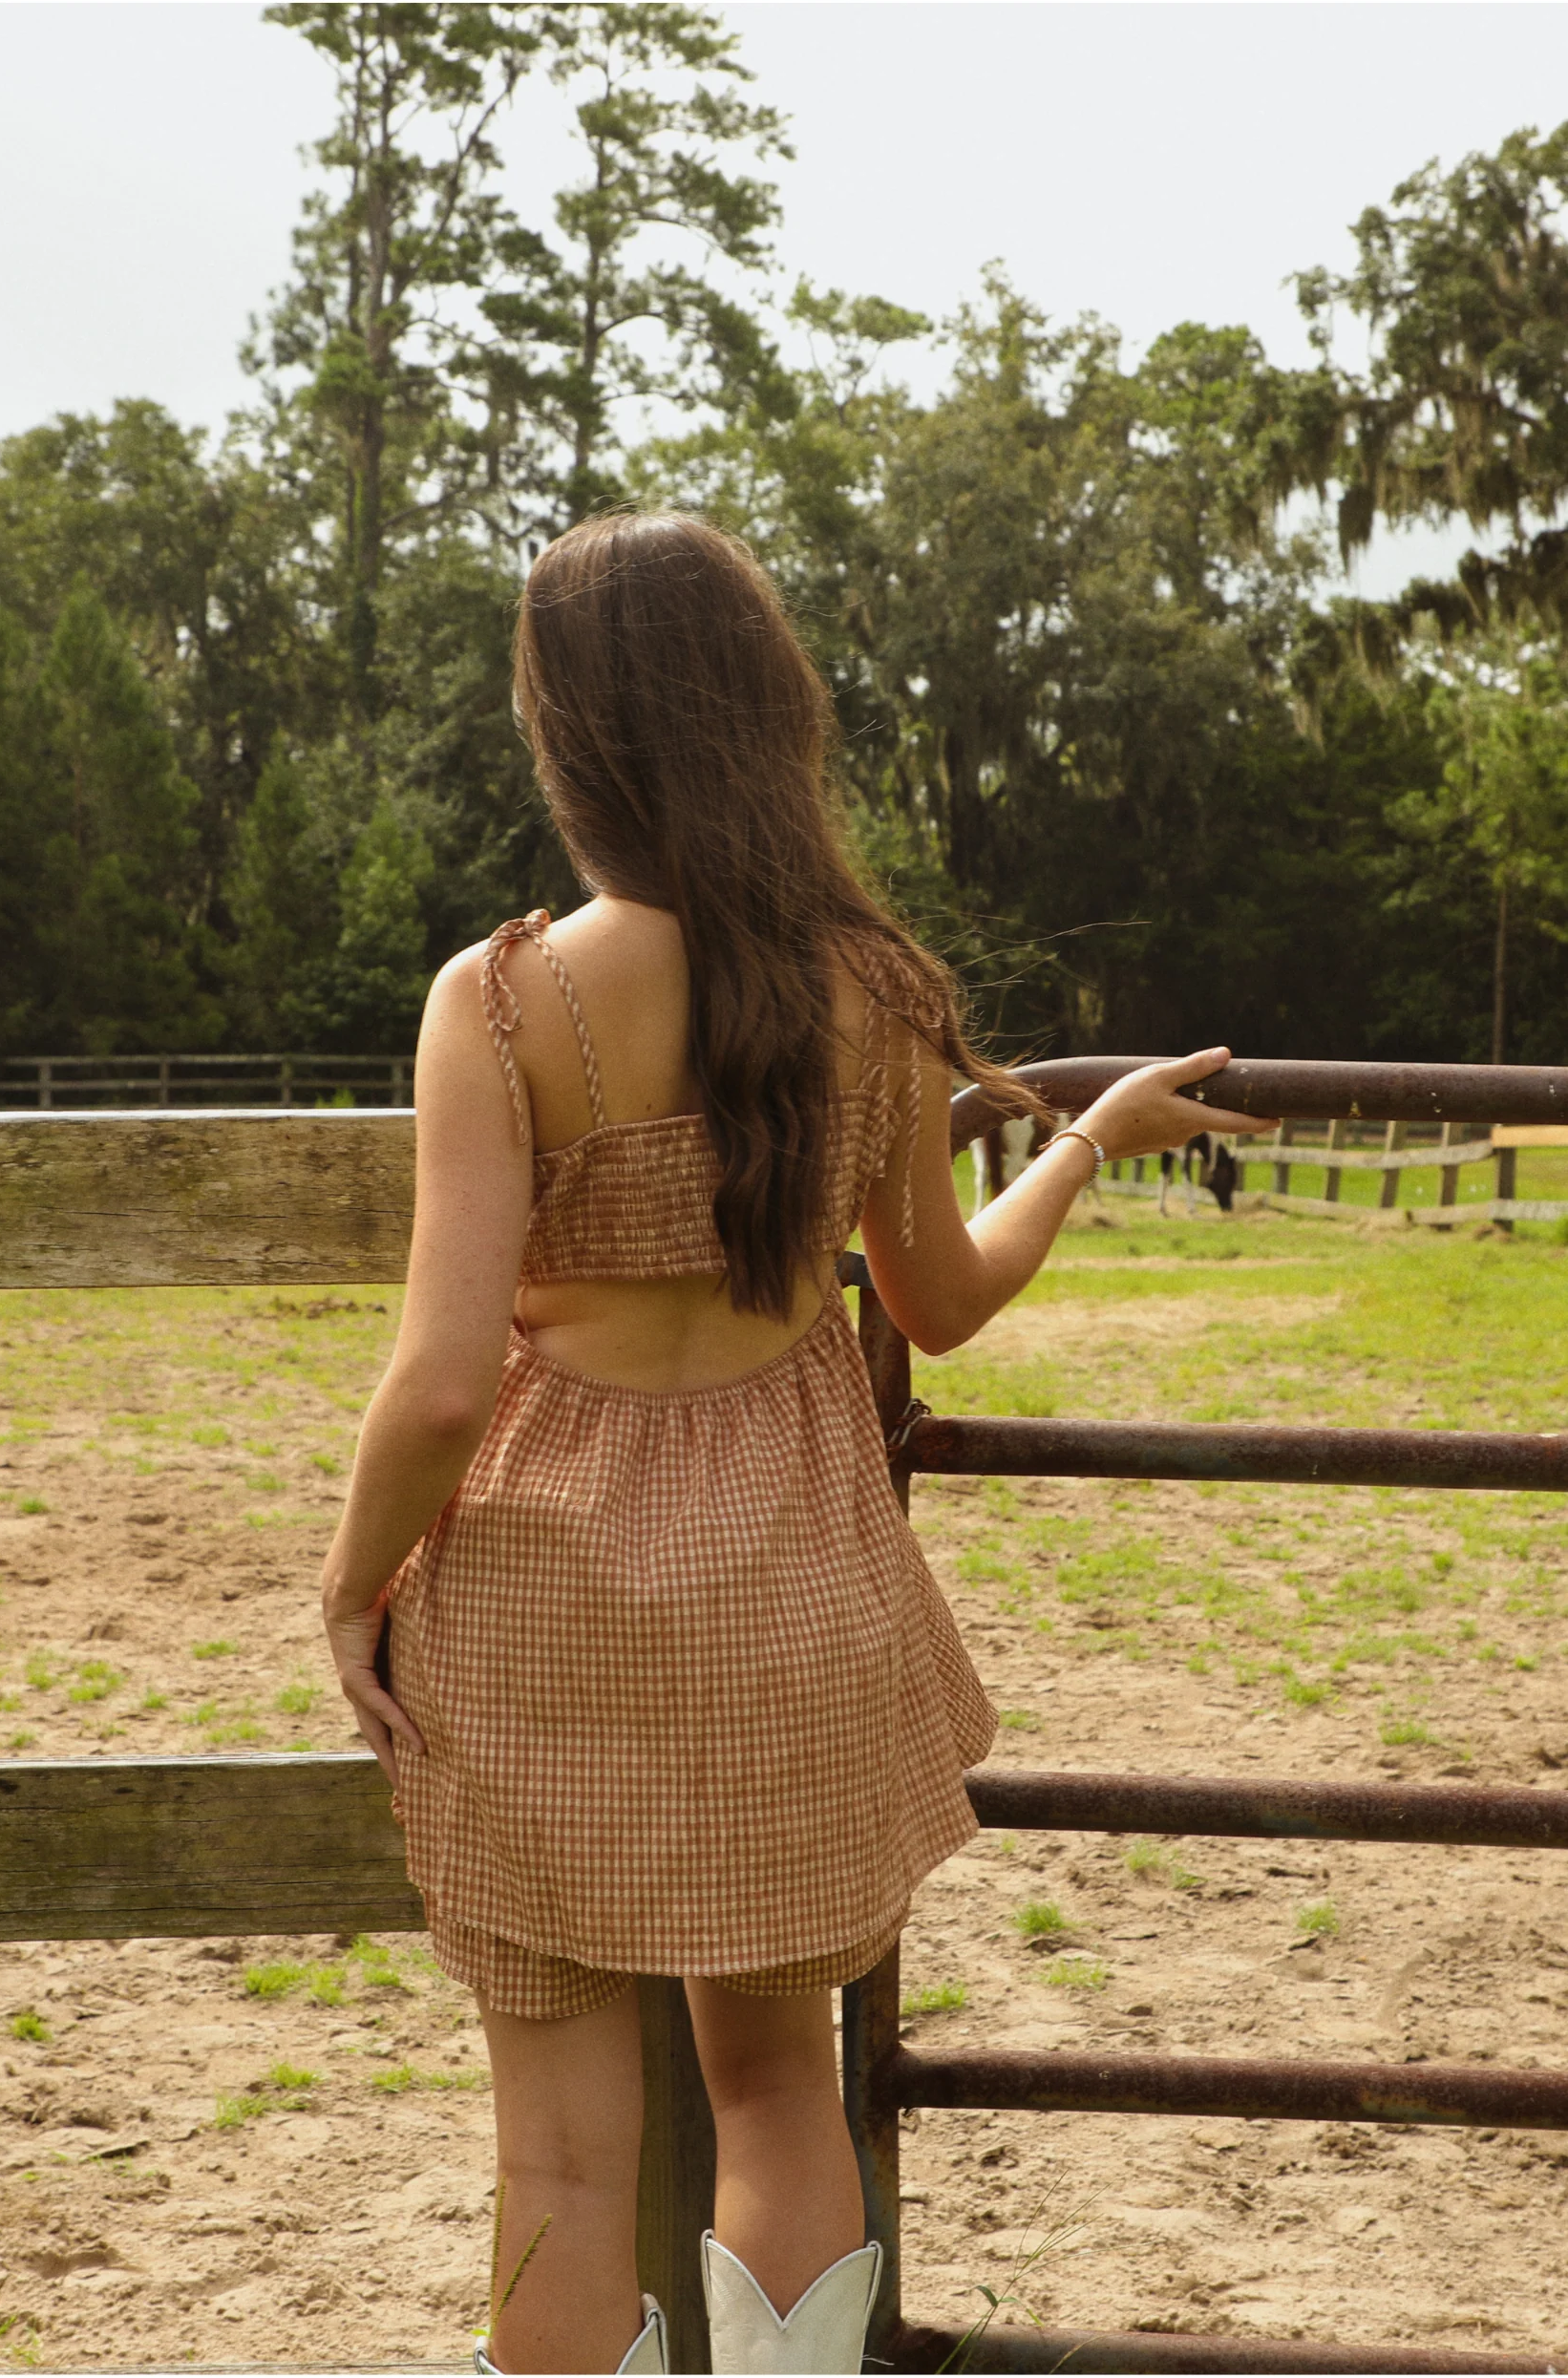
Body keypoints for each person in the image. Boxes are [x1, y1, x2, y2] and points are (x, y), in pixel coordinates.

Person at [319, 511, 1273, 2377]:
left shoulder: (498, 1001)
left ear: (563, 735)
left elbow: (439, 1385)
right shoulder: (878, 991)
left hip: (534, 1608)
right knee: (775, 2095)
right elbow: (936, 1301)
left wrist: (354, 1586)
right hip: (784, 1589)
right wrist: (1073, 1143)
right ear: (768, 714)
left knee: (565, 2164)